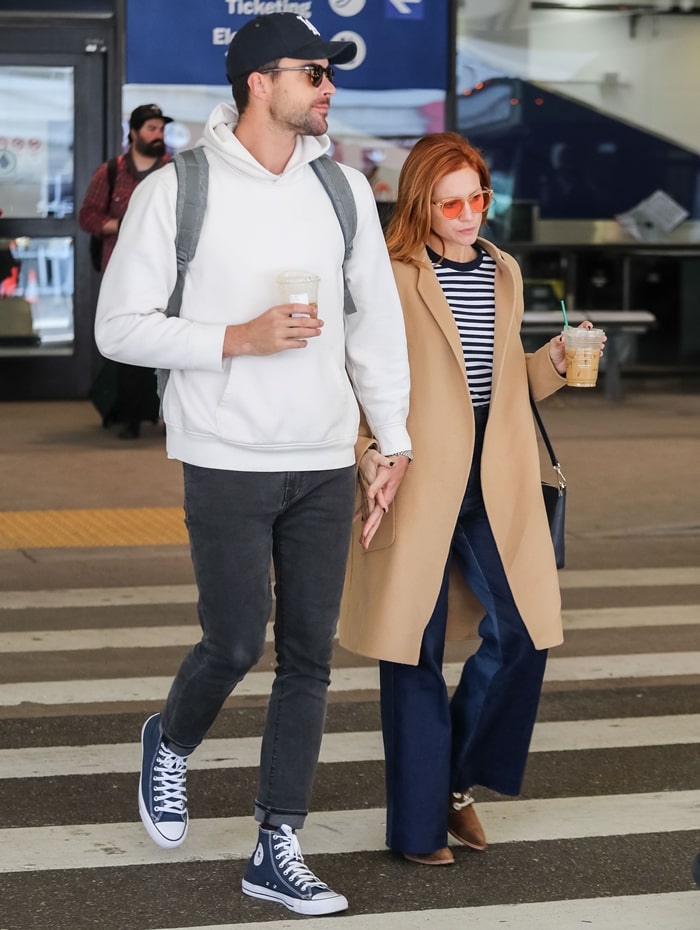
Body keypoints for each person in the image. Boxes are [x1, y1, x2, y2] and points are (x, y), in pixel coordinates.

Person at [94, 13, 411, 917]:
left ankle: (277, 842)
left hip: (320, 455)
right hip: (225, 453)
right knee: (235, 640)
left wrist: (391, 441)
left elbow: (374, 327)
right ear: (257, 82)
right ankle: (170, 737)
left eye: (329, 74)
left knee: (309, 656)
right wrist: (235, 338)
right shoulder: (178, 190)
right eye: (314, 72)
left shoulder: (343, 189)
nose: (328, 88)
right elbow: (119, 328)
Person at [339, 132, 603, 866]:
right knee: (411, 653)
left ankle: (453, 780)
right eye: (450, 201)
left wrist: (552, 360)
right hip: (415, 479)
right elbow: (355, 379)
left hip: (495, 479)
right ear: (421, 201)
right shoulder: (389, 275)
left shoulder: (504, 270)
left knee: (523, 635)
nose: (467, 213)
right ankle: (417, 828)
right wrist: (367, 457)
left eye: (478, 197)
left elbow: (500, 378)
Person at [80, 103, 173, 439]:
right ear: (133, 133)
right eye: (151, 128)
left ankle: (166, 414)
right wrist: (120, 224)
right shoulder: (110, 172)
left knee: (167, 342)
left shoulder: (175, 170)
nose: (157, 135)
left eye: (161, 129)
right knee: (130, 343)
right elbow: (87, 216)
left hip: (168, 272)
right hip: (120, 270)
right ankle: (130, 416)